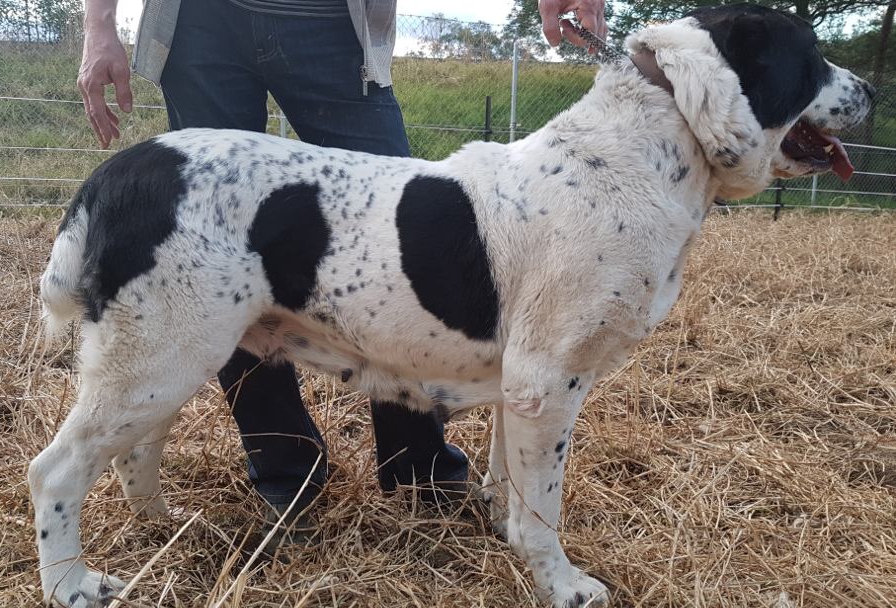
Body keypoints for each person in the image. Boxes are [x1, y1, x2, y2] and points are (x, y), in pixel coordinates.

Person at [77, 0, 606, 548]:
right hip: (200, 24)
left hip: (332, 22)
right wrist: (99, 26)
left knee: (408, 239)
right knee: (226, 261)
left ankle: (420, 475)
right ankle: (286, 473)